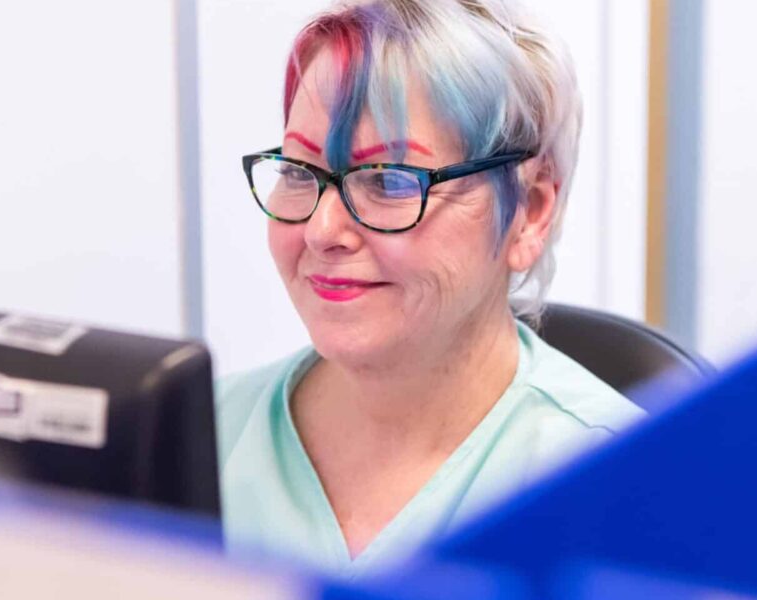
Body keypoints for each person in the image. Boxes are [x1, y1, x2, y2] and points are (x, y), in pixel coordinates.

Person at [217, 0, 646, 576]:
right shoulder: (199, 435)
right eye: (298, 171)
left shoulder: (616, 485)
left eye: (389, 180)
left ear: (530, 213)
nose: (322, 231)